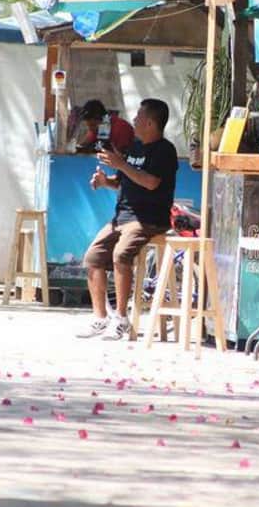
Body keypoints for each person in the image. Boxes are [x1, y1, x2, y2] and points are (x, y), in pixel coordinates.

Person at [78, 99, 178, 341]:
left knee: (121, 255)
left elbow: (151, 182)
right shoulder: (134, 147)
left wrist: (121, 163)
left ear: (151, 122)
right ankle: (100, 318)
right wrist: (105, 181)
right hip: (121, 216)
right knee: (93, 257)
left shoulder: (164, 150)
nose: (134, 121)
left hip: (147, 218)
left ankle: (121, 319)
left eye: (138, 117)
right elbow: (124, 180)